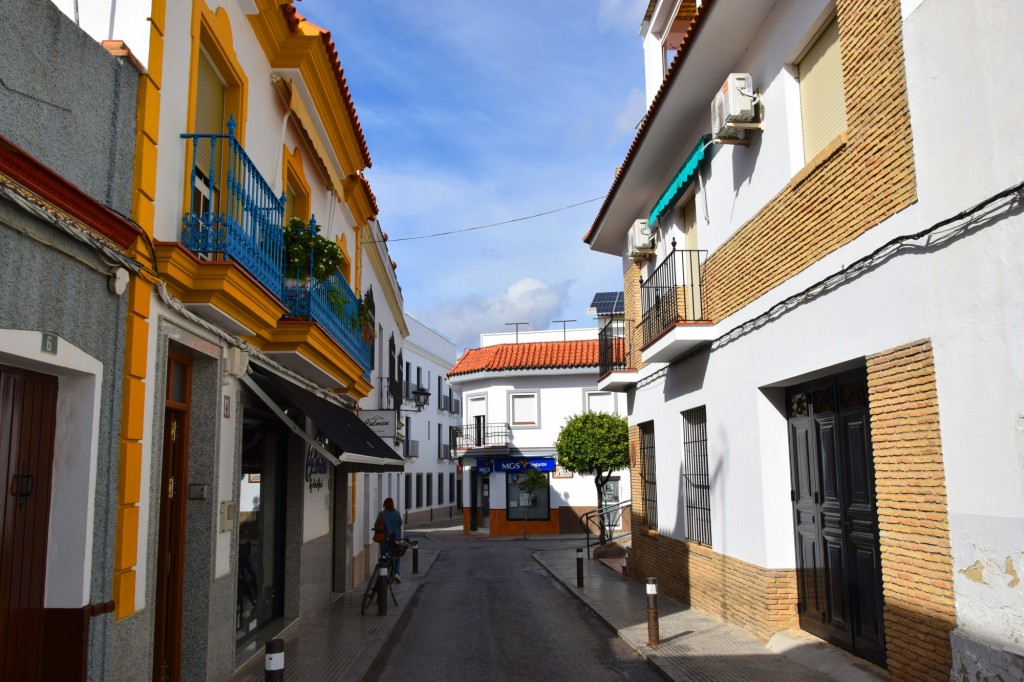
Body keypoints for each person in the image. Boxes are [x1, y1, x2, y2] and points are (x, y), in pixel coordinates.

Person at [375, 498, 404, 582]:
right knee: (397, 556)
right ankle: (397, 574)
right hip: (395, 540)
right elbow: (400, 523)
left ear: (384, 505)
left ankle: (384, 575)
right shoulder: (397, 513)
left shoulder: (382, 514)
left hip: (385, 540)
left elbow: (376, 524)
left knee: (384, 557)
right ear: (393, 505)